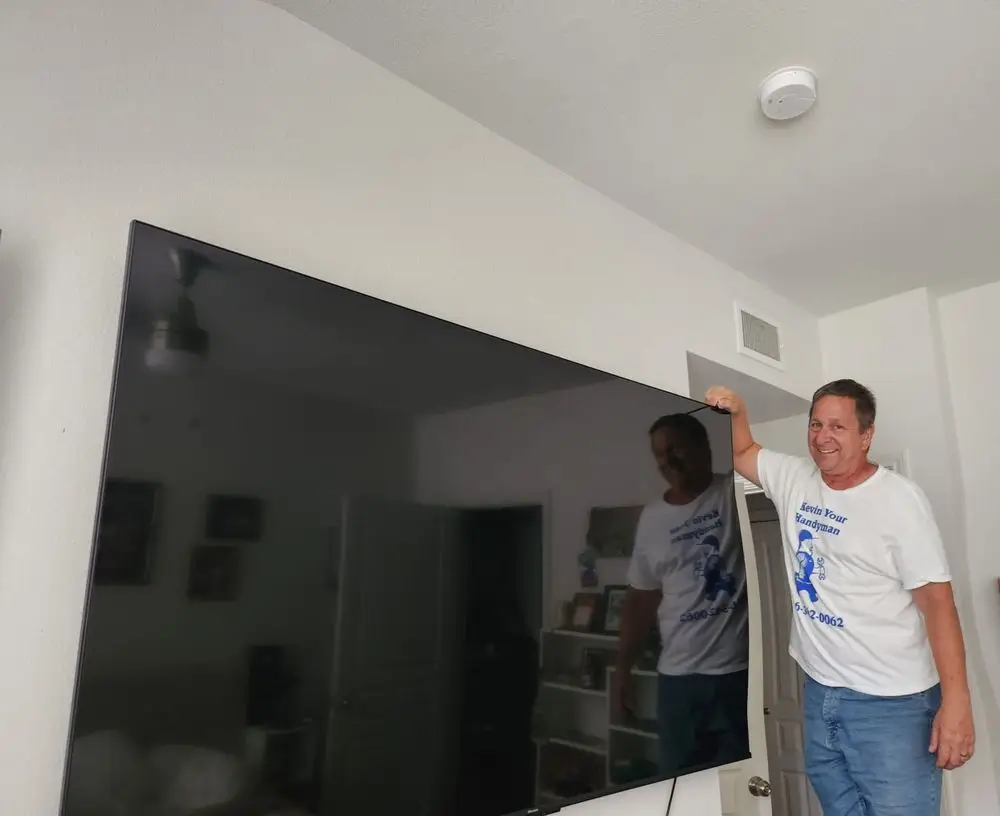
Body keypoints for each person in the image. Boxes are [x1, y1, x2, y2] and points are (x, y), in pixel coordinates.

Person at [705, 379, 974, 816]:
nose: (822, 437)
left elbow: (938, 604)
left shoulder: (899, 502)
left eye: (837, 427)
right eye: (815, 424)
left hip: (893, 706)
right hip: (819, 692)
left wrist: (957, 702)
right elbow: (741, 454)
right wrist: (737, 413)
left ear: (866, 435)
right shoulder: (795, 477)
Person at [613, 412, 750, 776]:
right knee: (679, 784)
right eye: (659, 453)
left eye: (676, 449)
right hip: (678, 681)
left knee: (739, 787)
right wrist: (622, 671)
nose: (667, 461)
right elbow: (640, 599)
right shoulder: (652, 518)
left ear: (703, 447)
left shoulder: (733, 493)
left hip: (737, 675)